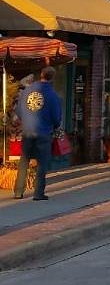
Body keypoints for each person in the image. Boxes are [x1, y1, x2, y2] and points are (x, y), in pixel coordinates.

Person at [14, 67, 62, 201]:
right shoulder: (53, 95)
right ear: (52, 77)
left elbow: (18, 111)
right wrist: (55, 126)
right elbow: (56, 118)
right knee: (42, 163)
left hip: (28, 131)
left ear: (41, 75)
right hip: (44, 132)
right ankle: (38, 193)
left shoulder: (27, 91)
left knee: (24, 160)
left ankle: (18, 191)